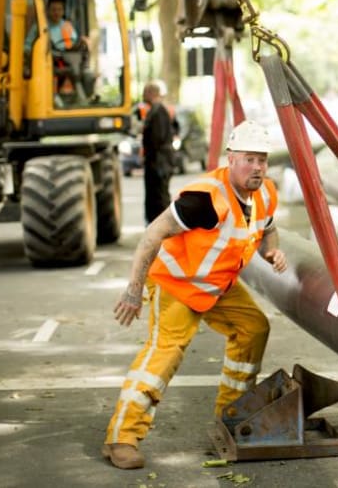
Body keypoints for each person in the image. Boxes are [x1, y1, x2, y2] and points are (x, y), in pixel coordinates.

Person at [102, 120, 288, 470]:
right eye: (249, 159)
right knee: (164, 355)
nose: (258, 167)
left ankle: (230, 414)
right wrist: (133, 290)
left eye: (262, 160)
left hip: (218, 286)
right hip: (177, 285)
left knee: (254, 328)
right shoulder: (204, 199)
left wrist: (271, 252)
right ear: (231, 159)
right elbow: (152, 235)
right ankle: (121, 438)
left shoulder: (264, 192)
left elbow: (269, 228)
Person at [139, 80, 176, 224]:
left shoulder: (158, 111)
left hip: (159, 162)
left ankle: (163, 225)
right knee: (156, 196)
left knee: (159, 196)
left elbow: (157, 138)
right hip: (157, 161)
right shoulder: (155, 110)